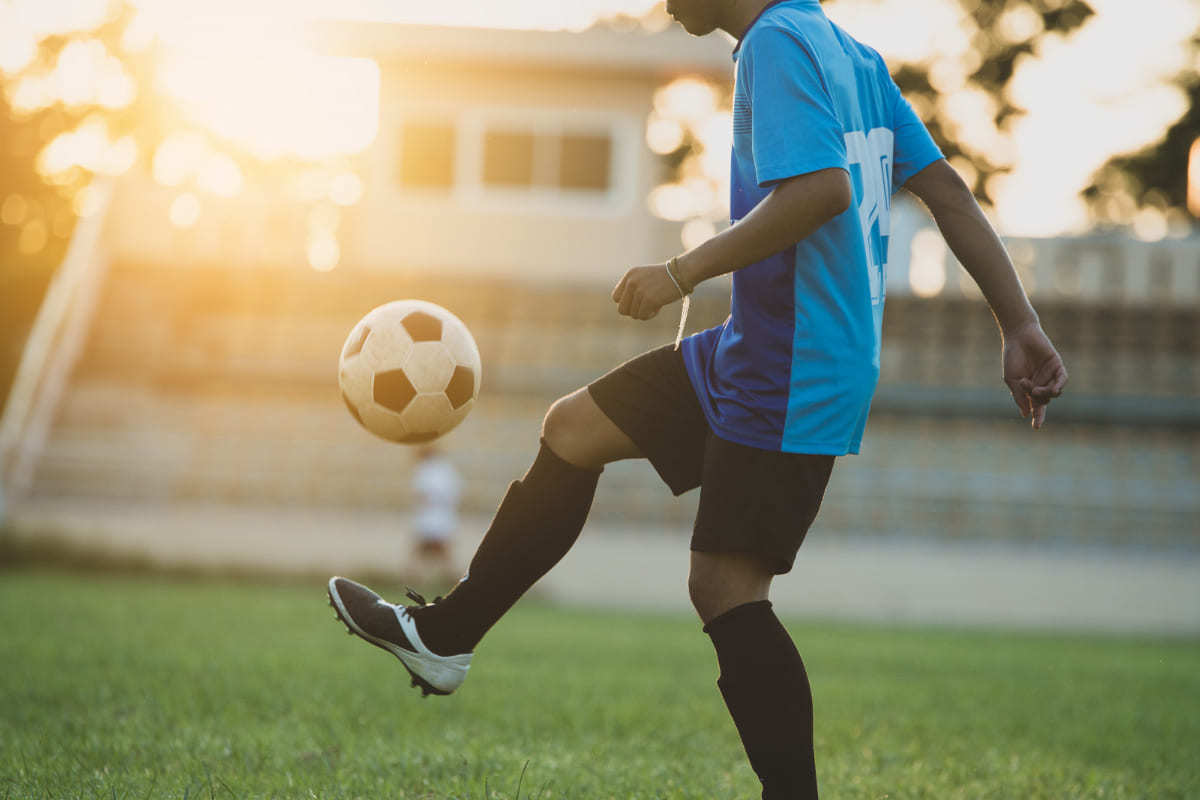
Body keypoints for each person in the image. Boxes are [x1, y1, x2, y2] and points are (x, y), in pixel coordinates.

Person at [326, 0, 1068, 796]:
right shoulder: (849, 55)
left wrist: (681, 272)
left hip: (795, 366)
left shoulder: (776, 44)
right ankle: (444, 637)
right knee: (573, 428)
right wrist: (1018, 323)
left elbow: (821, 192)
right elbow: (948, 194)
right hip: (756, 346)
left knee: (724, 587)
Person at [404, 444, 462, 588]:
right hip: (443, 515)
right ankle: (452, 581)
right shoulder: (446, 469)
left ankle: (413, 581)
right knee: (436, 551)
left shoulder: (426, 469)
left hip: (430, 516)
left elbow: (422, 493)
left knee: (425, 550)